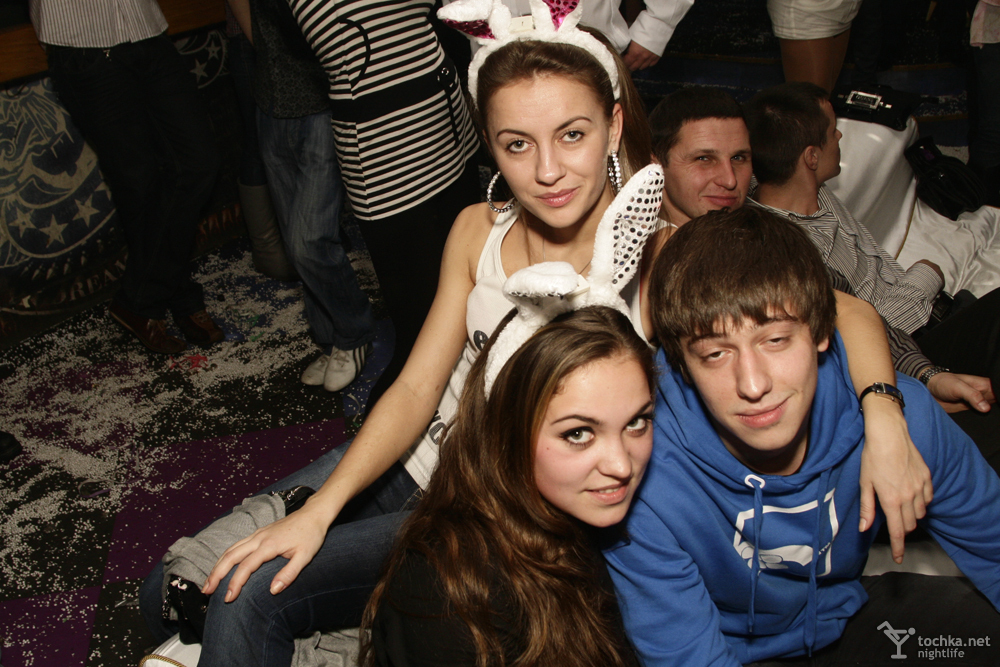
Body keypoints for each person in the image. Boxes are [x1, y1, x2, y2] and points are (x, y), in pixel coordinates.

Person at [139, 2, 922, 662]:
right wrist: (321, 508)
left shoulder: (663, 251)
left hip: (485, 500)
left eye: (572, 135)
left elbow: (844, 310)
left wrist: (886, 413)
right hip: (413, 456)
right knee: (168, 590)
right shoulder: (476, 229)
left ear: (614, 124)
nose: (547, 170)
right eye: (517, 144)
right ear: (490, 143)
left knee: (248, 595)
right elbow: (416, 385)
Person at [606, 206, 1000, 667]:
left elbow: (993, 546)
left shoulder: (898, 422)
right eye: (715, 354)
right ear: (682, 365)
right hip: (724, 646)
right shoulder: (642, 474)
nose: (753, 384)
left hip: (841, 616)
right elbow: (688, 654)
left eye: (775, 340)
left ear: (820, 332)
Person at [361, 304, 652, 666]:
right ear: (507, 432)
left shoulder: (597, 509)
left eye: (637, 422)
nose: (622, 465)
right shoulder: (451, 599)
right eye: (578, 433)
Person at [743, 82, 1000, 468]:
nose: (840, 137)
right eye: (832, 132)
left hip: (922, 320)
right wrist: (927, 275)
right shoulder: (788, 251)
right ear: (811, 156)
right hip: (899, 349)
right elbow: (864, 327)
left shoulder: (810, 189)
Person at [284, 0, 480, 402]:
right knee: (420, 327)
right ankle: (405, 434)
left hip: (447, 115)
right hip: (386, 143)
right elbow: (330, 36)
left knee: (476, 288)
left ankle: (477, 402)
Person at [28, 0, 225, 354]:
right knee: (139, 183)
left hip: (145, 28)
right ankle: (178, 297)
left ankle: (140, 299)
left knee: (199, 162)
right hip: (82, 42)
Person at [228, 0, 377, 391]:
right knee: (296, 245)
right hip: (269, 99)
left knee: (309, 239)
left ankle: (354, 332)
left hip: (319, 100)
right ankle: (330, 338)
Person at [648, 87, 752, 226]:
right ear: (655, 164)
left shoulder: (769, 237)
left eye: (738, 158)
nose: (730, 181)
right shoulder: (625, 237)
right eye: (704, 159)